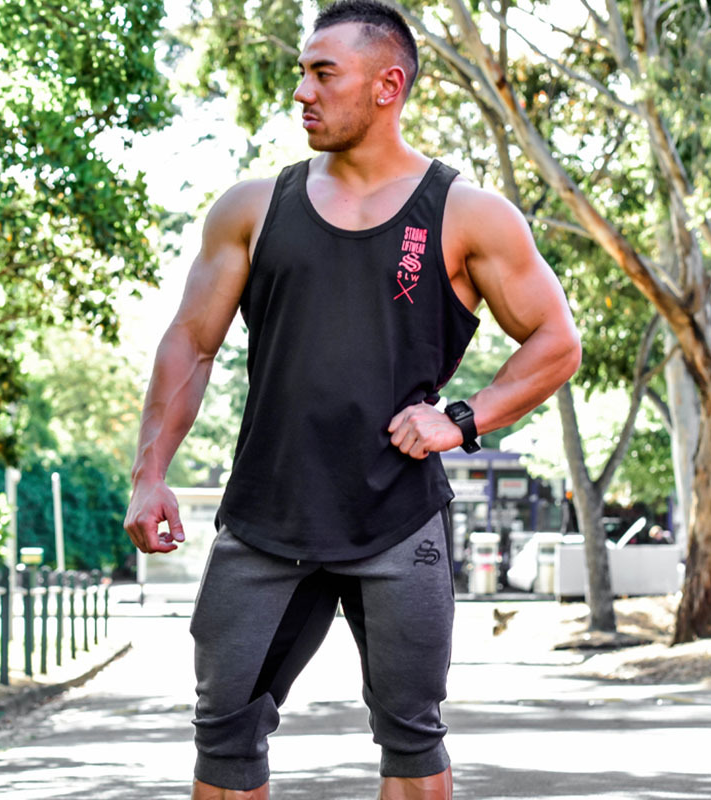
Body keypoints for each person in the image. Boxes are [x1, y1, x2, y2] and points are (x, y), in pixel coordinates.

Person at [124, 2, 582, 797]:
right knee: (224, 733)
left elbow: (556, 341)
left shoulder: (466, 214)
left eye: (323, 73)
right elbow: (189, 344)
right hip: (266, 517)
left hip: (399, 521)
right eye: (301, 72)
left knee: (412, 736)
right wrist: (149, 472)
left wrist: (462, 420)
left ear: (386, 85)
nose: (301, 91)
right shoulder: (252, 208)